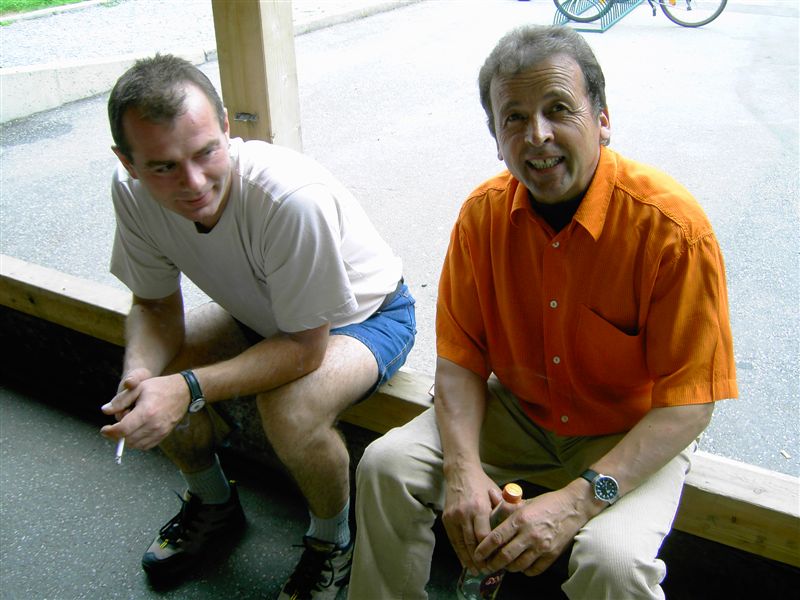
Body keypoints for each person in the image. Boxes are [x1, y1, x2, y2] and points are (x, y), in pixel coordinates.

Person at [348, 24, 736, 600]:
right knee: (386, 467)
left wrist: (578, 501)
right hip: (521, 411)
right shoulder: (481, 218)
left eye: (558, 109)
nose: (538, 135)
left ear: (602, 119)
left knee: (613, 564)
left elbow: (689, 405)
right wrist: (462, 470)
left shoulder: (672, 230)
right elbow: (459, 362)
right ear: (496, 139)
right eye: (514, 118)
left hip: (630, 429)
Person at [98, 54, 416, 599]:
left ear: (226, 126)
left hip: (365, 316)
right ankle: (213, 503)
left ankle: (332, 542)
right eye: (163, 167)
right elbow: (153, 306)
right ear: (127, 162)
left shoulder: (290, 199)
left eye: (206, 152)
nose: (193, 183)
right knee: (158, 375)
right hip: (262, 312)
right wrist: (142, 375)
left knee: (290, 410)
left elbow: (304, 349)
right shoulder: (130, 194)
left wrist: (187, 388)